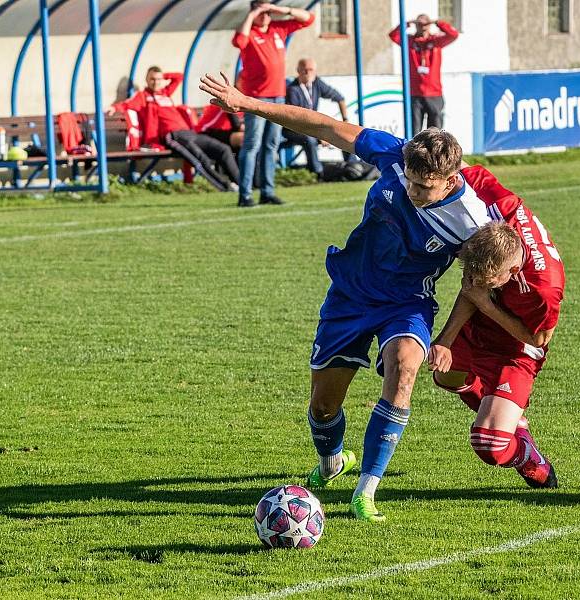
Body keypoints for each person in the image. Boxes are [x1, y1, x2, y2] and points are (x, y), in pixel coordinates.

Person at [200, 71, 537, 522]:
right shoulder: (392, 152)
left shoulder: (470, 220)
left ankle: (367, 491)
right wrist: (247, 102)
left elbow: (474, 284)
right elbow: (321, 125)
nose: (414, 193)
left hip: (407, 303)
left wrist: (447, 339)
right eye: (411, 183)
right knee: (323, 405)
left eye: (425, 187)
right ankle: (332, 459)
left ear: (452, 178)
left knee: (403, 372)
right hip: (350, 294)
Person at [428, 170, 565, 489]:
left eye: (486, 281)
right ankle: (509, 418)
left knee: (489, 445)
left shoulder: (544, 288)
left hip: (517, 348)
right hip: (480, 322)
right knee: (446, 375)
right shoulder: (501, 208)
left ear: (513, 271)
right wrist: (445, 340)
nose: (475, 284)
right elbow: (457, 169)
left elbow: (539, 338)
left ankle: (529, 456)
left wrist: (487, 304)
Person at [233, 1, 314, 207]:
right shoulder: (249, 32)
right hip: (257, 99)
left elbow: (308, 19)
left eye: (268, 12)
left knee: (271, 145)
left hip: (278, 97)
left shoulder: (278, 28)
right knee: (252, 145)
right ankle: (245, 194)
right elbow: (238, 41)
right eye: (262, 12)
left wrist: (282, 10)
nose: (266, 16)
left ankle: (267, 192)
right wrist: (252, 15)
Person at [108, 67, 238, 190]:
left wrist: (163, 76)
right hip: (173, 136)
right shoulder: (143, 96)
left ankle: (242, 183)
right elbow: (126, 105)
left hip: (189, 132)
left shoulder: (165, 93)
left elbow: (179, 77)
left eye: (158, 79)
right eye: (152, 79)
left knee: (224, 149)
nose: (155, 82)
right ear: (147, 80)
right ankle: (225, 186)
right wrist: (114, 108)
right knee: (200, 159)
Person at [388, 13, 458, 137]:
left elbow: (453, 34)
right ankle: (413, 156)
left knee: (435, 134)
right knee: (414, 133)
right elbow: (393, 35)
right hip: (415, 94)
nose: (423, 26)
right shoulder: (409, 41)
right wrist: (406, 24)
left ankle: (433, 156)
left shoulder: (436, 41)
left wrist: (438, 23)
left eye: (426, 23)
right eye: (420, 24)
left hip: (434, 93)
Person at [284, 58, 349, 178]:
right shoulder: (293, 89)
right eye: (305, 70)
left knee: (343, 131)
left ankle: (352, 166)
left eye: (311, 70)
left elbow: (340, 98)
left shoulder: (316, 83)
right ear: (298, 71)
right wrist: (319, 135)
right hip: (294, 129)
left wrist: (345, 120)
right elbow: (296, 120)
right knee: (309, 139)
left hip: (312, 127)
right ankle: (318, 174)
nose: (308, 73)